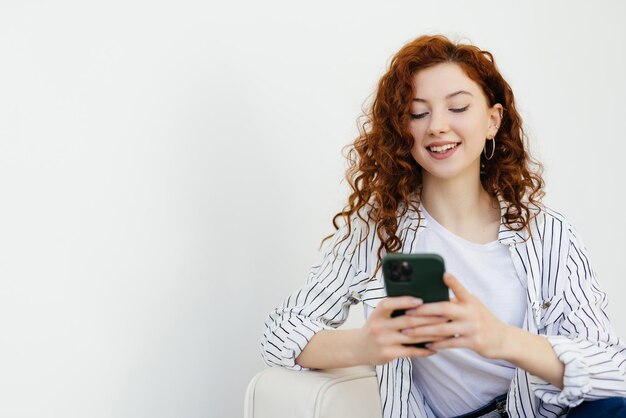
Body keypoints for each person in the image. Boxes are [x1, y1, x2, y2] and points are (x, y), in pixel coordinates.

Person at [260, 35, 626, 418]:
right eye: (418, 113)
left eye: (458, 107)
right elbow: (280, 333)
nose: (437, 126)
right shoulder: (380, 230)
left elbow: (614, 369)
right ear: (403, 131)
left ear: (492, 121)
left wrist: (503, 339)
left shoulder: (547, 233)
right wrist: (367, 345)